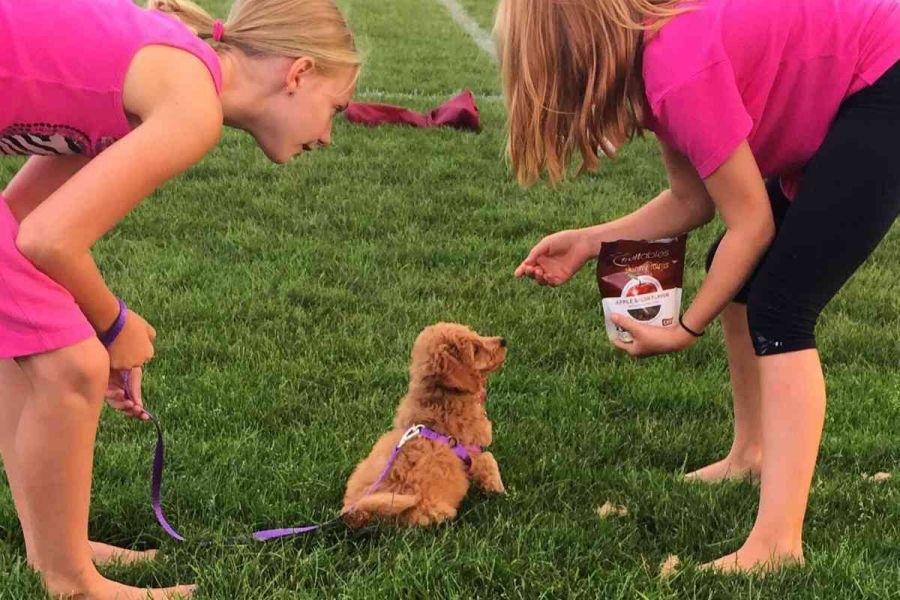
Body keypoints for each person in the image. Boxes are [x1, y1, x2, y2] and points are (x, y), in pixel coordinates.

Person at [497, 0, 900, 573]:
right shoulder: (653, 62)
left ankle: (776, 547)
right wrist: (589, 240)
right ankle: (750, 453)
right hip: (860, 80)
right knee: (740, 281)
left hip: (884, 77)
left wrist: (686, 328)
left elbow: (752, 222)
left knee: (781, 306)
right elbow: (692, 201)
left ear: (576, 55)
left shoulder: (676, 65)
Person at [0, 0, 359, 597]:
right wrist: (113, 327)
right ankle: (72, 582)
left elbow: (19, 220)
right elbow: (45, 239)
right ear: (297, 74)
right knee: (72, 362)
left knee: (41, 349)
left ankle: (55, 549)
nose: (328, 133)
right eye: (336, 109)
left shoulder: (162, 72)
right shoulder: (192, 104)